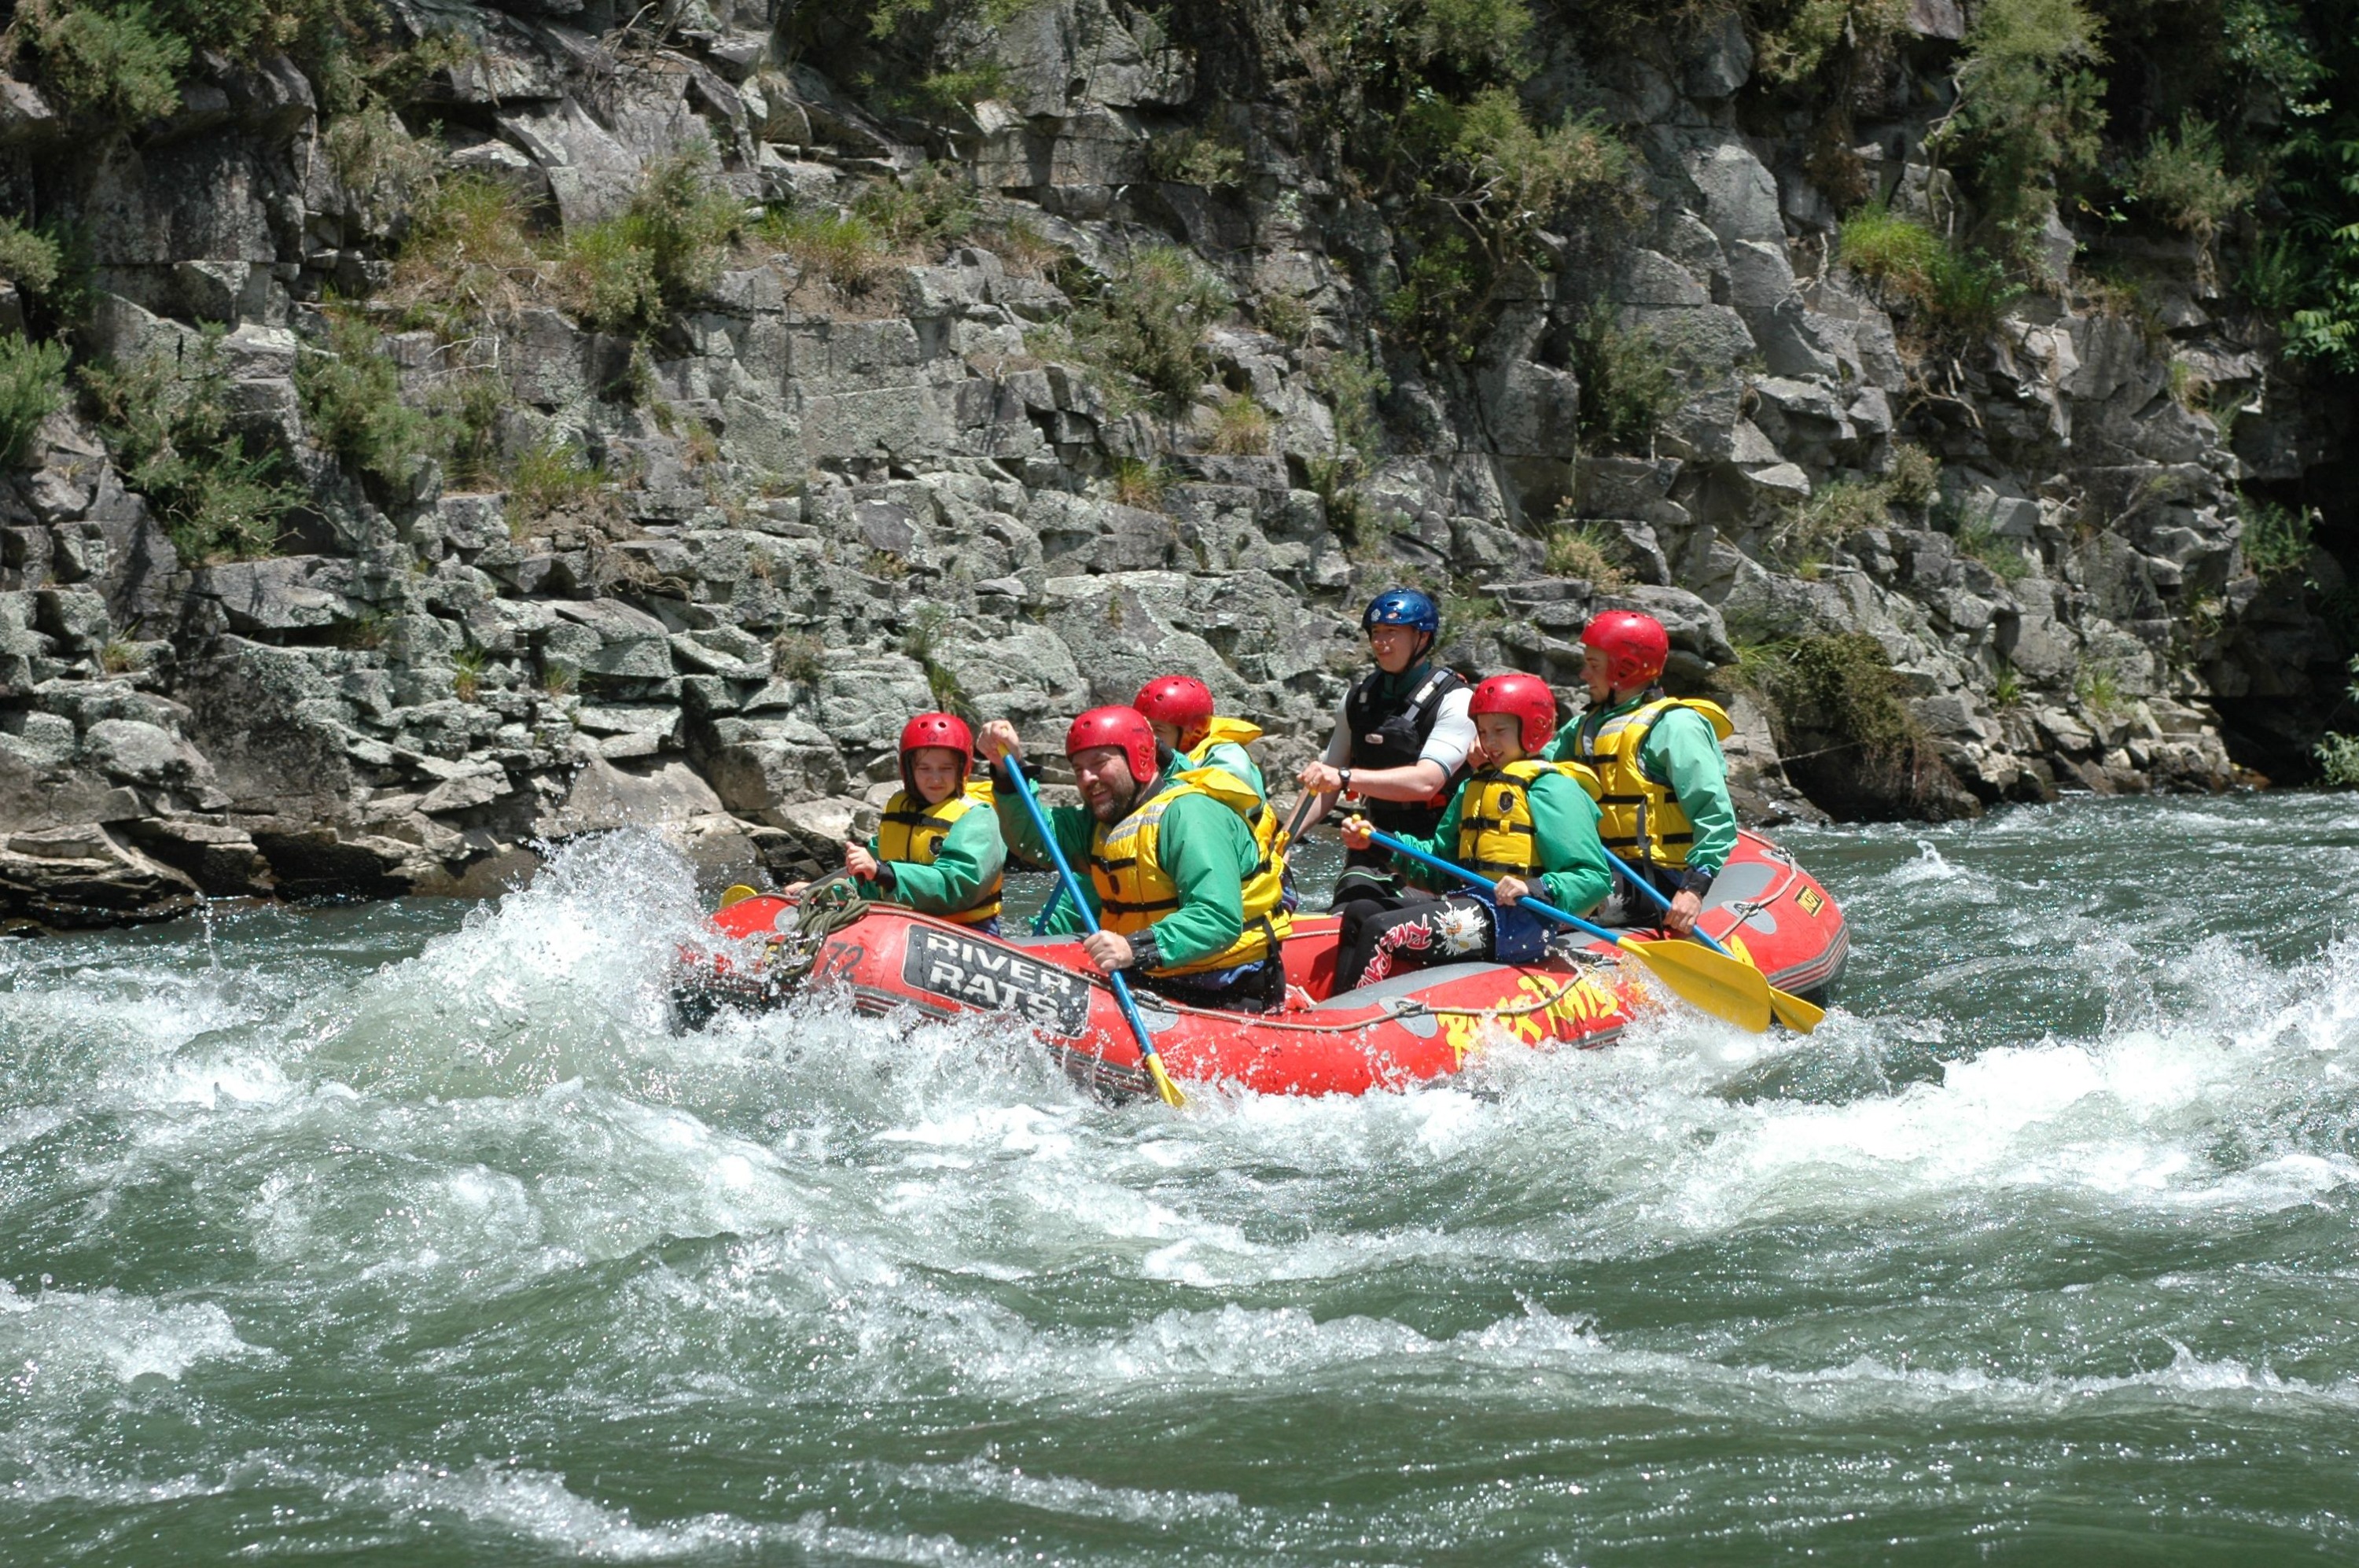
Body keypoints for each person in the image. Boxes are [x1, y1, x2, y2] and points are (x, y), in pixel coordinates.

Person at [980, 708, 1293, 1013]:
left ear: (1140, 758)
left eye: (1100, 763)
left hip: (1227, 985)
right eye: (1078, 770)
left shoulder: (1190, 813)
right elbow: (1034, 839)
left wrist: (1135, 948)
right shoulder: (1102, 821)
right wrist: (1008, 770)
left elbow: (1217, 917)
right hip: (1154, 974)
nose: (1088, 778)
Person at [1332, 672, 1614, 992]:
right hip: (1471, 906)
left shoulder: (1552, 788)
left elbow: (1593, 877)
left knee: (1385, 929)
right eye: (1481, 731)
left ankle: (1354, 1025)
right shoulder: (1473, 788)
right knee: (1360, 912)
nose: (1488, 743)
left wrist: (1533, 887)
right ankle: (1333, 1010)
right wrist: (1381, 843)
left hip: (1518, 923)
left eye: (1499, 731)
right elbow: (1440, 865)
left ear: (1533, 729)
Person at [1545, 609, 1735, 937]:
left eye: (1593, 665)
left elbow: (1715, 814)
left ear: (1626, 669)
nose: (1582, 675)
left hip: (1655, 880)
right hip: (1596, 869)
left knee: (1543, 901)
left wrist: (1693, 890)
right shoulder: (1584, 727)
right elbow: (1536, 767)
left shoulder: (1675, 726)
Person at [1296, 587, 1477, 906]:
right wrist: (1280, 842)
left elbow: (1426, 782)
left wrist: (1346, 777)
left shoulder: (1456, 700)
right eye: (1376, 632)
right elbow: (1325, 786)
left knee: (1377, 917)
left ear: (1422, 638)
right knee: (1351, 907)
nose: (1381, 642)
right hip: (1374, 841)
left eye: (1392, 632)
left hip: (1434, 853)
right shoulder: (1357, 700)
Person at [814, 711, 1007, 930]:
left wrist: (885, 873)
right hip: (902, 926)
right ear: (909, 771)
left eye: (946, 768)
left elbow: (958, 885)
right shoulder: (899, 810)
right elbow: (869, 882)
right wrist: (822, 895)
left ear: (962, 769)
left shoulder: (977, 816)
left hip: (968, 929)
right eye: (924, 768)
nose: (935, 778)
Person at [1133, 675, 1268, 801]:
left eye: (1158, 729)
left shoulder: (1229, 754)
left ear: (1192, 735)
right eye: (1143, 727)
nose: (1148, 735)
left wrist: (1173, 764)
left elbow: (1229, 799)